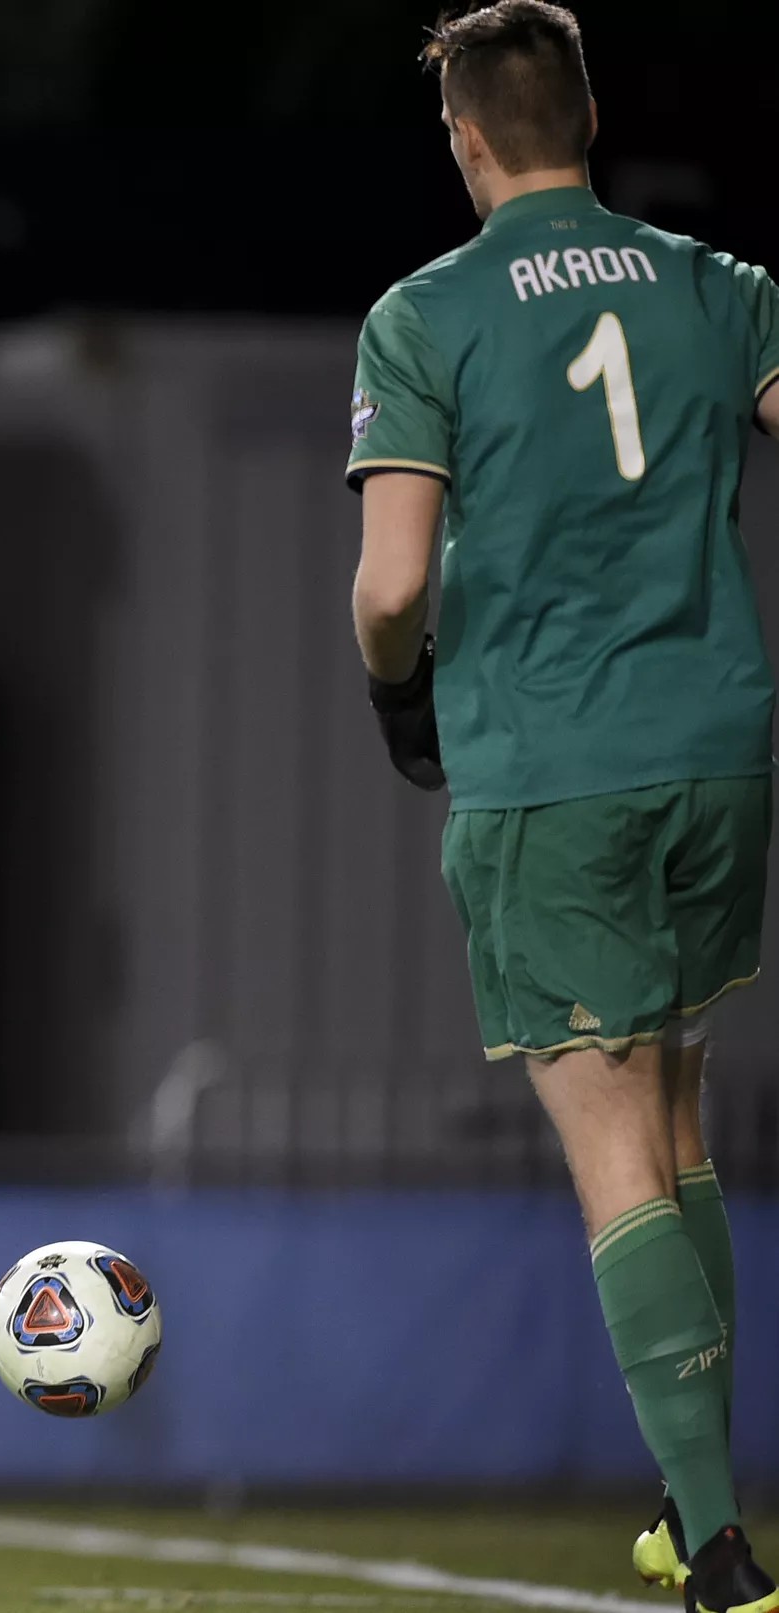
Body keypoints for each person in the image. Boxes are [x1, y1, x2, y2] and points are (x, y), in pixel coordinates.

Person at [347, 6, 779, 1607]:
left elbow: (393, 587)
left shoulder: (426, 315)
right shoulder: (719, 287)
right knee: (677, 1122)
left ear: (466, 140)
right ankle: (700, 1498)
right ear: (586, 116)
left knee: (613, 1144)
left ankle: (721, 1546)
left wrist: (400, 685)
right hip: (720, 749)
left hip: (553, 765)